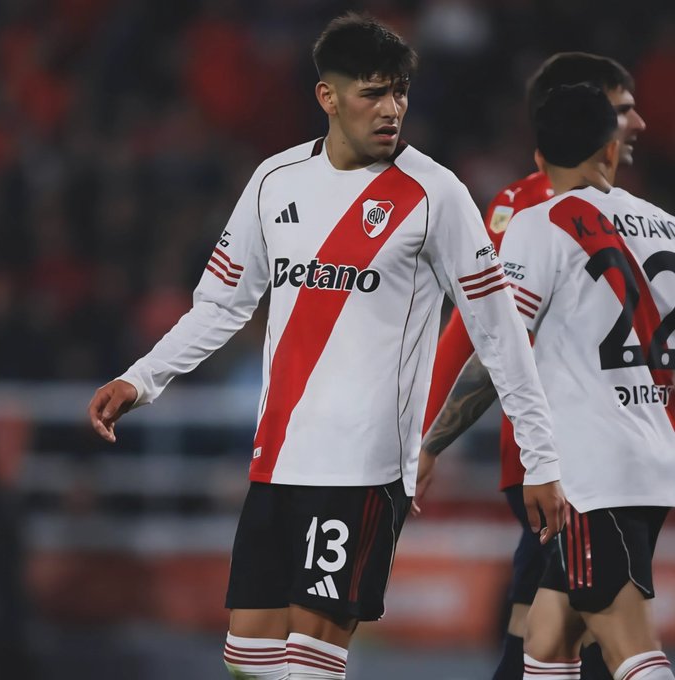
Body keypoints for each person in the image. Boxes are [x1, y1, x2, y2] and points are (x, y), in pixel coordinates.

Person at [88, 13, 564, 680]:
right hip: (279, 456)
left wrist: (540, 455)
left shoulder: (437, 194)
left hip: (362, 467)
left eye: (400, 91)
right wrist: (141, 379)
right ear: (328, 96)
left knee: (311, 662)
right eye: (373, 93)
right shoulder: (275, 181)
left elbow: (499, 329)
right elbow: (221, 305)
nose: (392, 108)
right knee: (247, 660)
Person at [416, 52, 646, 680]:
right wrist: (426, 436)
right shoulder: (530, 210)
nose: (638, 123)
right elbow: (477, 329)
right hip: (566, 466)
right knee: (589, 638)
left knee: (540, 638)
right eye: (623, 109)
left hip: (587, 462)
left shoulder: (618, 212)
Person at [507, 83, 675, 680]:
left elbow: (505, 344)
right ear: (609, 149)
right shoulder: (666, 225)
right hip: (652, 456)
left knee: (630, 645)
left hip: (590, 469)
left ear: (538, 159)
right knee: (549, 638)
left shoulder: (538, 224)